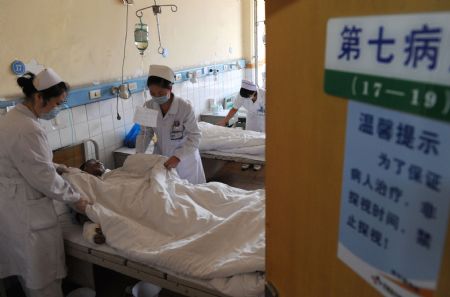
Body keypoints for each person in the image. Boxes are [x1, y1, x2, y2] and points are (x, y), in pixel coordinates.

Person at [0, 69, 89, 297]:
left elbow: (28, 164)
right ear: (39, 97)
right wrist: (76, 199)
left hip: (13, 208)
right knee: (43, 282)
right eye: (56, 103)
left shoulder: (10, 119)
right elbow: (44, 178)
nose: (56, 109)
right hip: (30, 215)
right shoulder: (28, 129)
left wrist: (56, 167)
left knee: (29, 278)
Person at [136, 65, 206, 184]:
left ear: (170, 89)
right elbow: (145, 133)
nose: (156, 97)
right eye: (152, 93)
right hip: (162, 158)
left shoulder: (184, 107)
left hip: (185, 161)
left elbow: (195, 136)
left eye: (161, 93)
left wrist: (178, 157)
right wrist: (139, 155)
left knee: (190, 196)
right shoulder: (148, 106)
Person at [217, 79, 266, 171]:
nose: (247, 98)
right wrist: (225, 120)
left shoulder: (264, 94)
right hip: (251, 117)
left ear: (254, 92)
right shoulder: (241, 96)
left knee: (261, 139)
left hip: (264, 118)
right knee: (249, 138)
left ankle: (258, 161)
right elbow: (234, 109)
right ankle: (248, 160)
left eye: (249, 96)